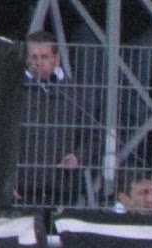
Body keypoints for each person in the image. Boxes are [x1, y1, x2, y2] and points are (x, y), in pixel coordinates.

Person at [18, 32, 96, 211]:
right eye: (34, 57)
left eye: (44, 57)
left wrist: (78, 157)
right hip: (23, 190)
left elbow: (94, 137)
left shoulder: (75, 94)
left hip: (62, 190)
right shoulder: (14, 92)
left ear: (56, 59)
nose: (38, 62)